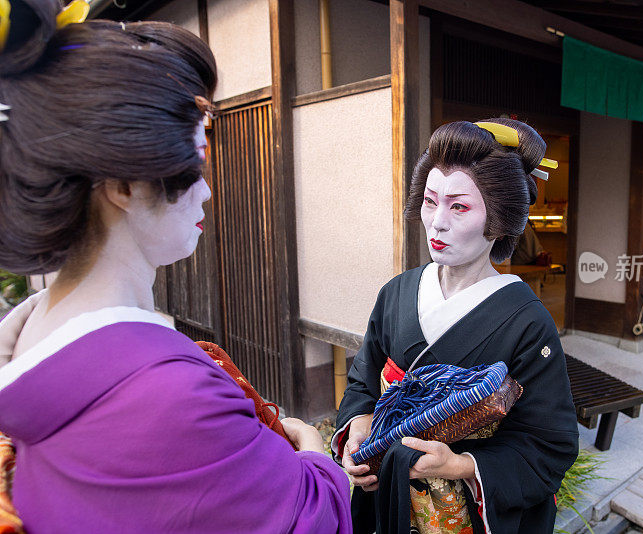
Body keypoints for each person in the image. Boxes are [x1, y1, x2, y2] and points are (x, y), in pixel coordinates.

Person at [0, 1, 351, 532]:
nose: (207, 191)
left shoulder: (34, 340)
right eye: (193, 166)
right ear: (122, 185)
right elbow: (310, 516)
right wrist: (317, 459)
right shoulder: (164, 397)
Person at [332, 118, 579, 534]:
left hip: (465, 514)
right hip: (386, 493)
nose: (437, 222)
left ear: (498, 218)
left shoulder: (527, 322)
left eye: (459, 206)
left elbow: (548, 443)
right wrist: (358, 424)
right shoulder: (397, 292)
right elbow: (363, 379)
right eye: (430, 201)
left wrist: (460, 464)